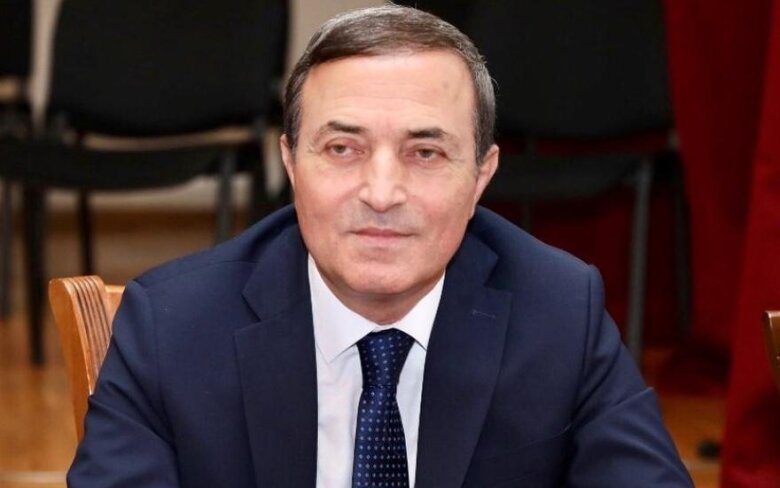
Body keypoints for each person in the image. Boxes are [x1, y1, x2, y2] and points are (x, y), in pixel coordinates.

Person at [68, 5, 693, 487]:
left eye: (426, 153)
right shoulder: (173, 328)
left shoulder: (559, 313)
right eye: (343, 149)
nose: (382, 192)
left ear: (481, 177)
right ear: (291, 163)